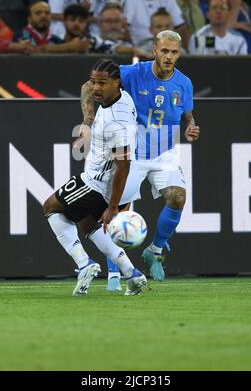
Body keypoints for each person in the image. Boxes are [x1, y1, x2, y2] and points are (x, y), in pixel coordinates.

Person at [77, 30, 200, 289]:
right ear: (154, 49)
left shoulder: (184, 83)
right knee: (118, 210)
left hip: (163, 152)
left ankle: (155, 251)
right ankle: (114, 273)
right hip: (131, 154)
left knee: (178, 197)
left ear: (179, 53)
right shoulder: (132, 73)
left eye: (174, 52)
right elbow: (89, 86)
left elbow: (187, 114)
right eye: (164, 51)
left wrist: (190, 126)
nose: (168, 57)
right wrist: (88, 122)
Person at [43, 58, 148, 296]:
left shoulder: (116, 121)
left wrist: (112, 206)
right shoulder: (122, 98)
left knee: (50, 207)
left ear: (117, 83)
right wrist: (88, 123)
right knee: (86, 223)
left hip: (99, 183)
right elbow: (86, 90)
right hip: (111, 181)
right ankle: (131, 272)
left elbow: (123, 165)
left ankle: (84, 264)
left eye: (102, 83)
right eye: (93, 82)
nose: (96, 88)